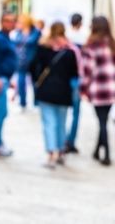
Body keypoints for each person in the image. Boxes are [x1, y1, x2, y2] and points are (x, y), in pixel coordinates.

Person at [30, 22, 79, 168]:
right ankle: (61, 151)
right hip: (63, 92)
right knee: (61, 123)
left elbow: (32, 67)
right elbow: (74, 74)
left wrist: (37, 81)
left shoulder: (43, 48)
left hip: (46, 90)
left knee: (49, 123)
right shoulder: (70, 51)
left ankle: (51, 153)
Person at [81, 16, 115, 166]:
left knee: (102, 122)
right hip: (111, 88)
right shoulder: (112, 44)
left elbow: (87, 70)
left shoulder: (92, 46)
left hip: (98, 88)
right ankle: (96, 151)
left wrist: (83, 89)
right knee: (103, 120)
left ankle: (106, 153)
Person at [0, 13, 18, 157]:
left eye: (12, 21)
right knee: (0, 112)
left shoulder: (7, 38)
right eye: (6, 21)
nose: (9, 24)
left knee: (1, 112)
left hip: (4, 78)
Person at [65, 13, 87, 153]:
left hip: (65, 78)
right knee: (76, 112)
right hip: (76, 78)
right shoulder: (84, 37)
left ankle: (63, 140)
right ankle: (70, 140)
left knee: (63, 112)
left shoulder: (66, 37)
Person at [13, 14, 42, 112]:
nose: (19, 24)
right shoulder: (19, 32)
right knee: (21, 82)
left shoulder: (36, 32)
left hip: (33, 61)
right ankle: (22, 103)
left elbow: (32, 41)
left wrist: (22, 41)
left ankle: (36, 103)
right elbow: (15, 42)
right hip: (21, 60)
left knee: (35, 82)